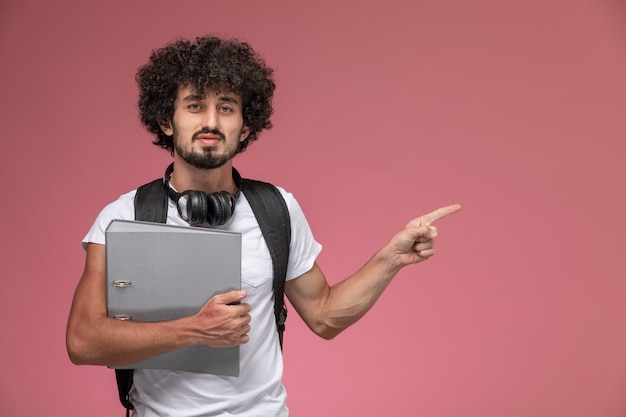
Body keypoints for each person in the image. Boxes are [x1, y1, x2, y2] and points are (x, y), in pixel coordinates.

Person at [66, 35, 461, 417]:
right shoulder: (123, 216)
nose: (210, 121)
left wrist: (390, 258)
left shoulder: (277, 209)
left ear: (246, 126)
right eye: (193, 105)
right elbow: (82, 341)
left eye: (226, 108)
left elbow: (324, 315)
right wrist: (194, 330)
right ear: (165, 122)